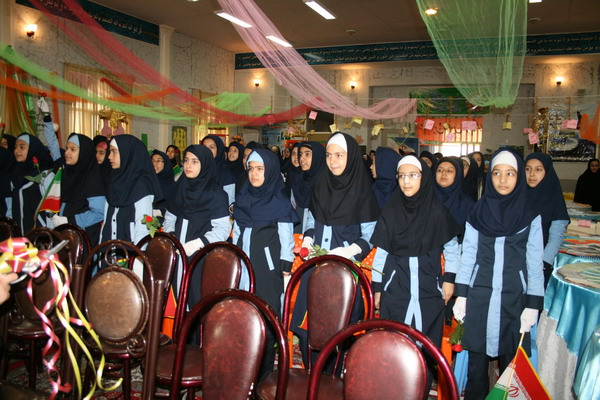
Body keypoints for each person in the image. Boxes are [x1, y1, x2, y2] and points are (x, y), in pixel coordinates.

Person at [453, 149, 544, 400]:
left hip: (515, 298)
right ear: (489, 176)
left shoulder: (530, 215)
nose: (503, 179)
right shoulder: (477, 212)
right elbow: (468, 255)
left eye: (510, 173)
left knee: (511, 366)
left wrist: (533, 305)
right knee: (476, 366)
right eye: (496, 173)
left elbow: (534, 263)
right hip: (480, 296)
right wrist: (462, 295)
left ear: (519, 177)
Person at [371, 155, 460, 390]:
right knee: (395, 342)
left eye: (413, 175)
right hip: (396, 288)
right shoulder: (391, 211)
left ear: (424, 177)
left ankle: (421, 387)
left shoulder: (437, 211)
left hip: (428, 289)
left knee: (426, 345)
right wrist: (378, 288)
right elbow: (381, 253)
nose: (407, 181)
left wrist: (449, 281)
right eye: (402, 176)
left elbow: (452, 249)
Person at [294, 132, 379, 364]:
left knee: (337, 328)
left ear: (351, 157)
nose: (332, 161)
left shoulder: (363, 191)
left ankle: (332, 375)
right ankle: (310, 373)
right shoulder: (320, 185)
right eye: (329, 155)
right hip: (315, 265)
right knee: (309, 325)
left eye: (339, 155)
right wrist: (308, 239)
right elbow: (311, 220)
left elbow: (370, 234)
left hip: (343, 270)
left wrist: (350, 251)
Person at [233, 148, 296, 378]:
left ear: (270, 171)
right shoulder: (243, 197)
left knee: (267, 313)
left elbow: (286, 237)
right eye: (251, 168)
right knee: (245, 311)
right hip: (244, 265)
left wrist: (285, 265)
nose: (254, 174)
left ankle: (265, 370)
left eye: (260, 169)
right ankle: (246, 365)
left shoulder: (279, 202)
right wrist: (235, 256)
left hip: (267, 268)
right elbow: (237, 231)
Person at [163, 145, 231, 301]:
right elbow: (170, 218)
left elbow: (223, 229)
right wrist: (172, 238)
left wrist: (197, 244)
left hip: (202, 255)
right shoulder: (179, 187)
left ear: (205, 164)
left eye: (194, 162)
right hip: (177, 252)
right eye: (186, 160)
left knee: (197, 298)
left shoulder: (216, 195)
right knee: (177, 297)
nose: (188, 165)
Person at [101, 135, 163, 244]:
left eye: (114, 152)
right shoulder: (113, 180)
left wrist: (138, 253)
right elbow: (106, 222)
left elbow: (143, 229)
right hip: (109, 249)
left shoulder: (142, 186)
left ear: (127, 153)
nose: (109, 156)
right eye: (110, 152)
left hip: (131, 250)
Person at [49, 133, 106, 246]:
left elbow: (99, 213)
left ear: (84, 152)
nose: (67, 152)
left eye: (73, 149)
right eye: (66, 148)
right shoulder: (68, 174)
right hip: (65, 234)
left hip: (83, 238)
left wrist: (70, 221)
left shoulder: (92, 179)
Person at [525, 153, 569, 285]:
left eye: (538, 169)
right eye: (528, 169)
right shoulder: (519, 196)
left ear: (547, 172)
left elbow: (556, 236)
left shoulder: (554, 199)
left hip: (540, 263)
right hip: (516, 261)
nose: (532, 174)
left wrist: (543, 265)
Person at [7, 132, 52, 234]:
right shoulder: (15, 175)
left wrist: (50, 233)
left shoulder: (45, 176)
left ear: (33, 149)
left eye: (22, 147)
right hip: (19, 235)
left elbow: (51, 210)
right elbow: (11, 207)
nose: (17, 151)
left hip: (40, 236)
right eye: (15, 147)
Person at [434, 156, 475, 242]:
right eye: (440, 170)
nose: (443, 173)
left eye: (449, 171)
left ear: (457, 175)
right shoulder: (427, 200)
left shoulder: (467, 204)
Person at [295, 141, 326, 232]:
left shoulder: (326, 184)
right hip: (299, 227)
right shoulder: (299, 180)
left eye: (307, 154)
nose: (301, 158)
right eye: (300, 154)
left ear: (318, 157)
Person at [202, 135, 236, 205]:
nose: (207, 150)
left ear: (219, 150)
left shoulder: (227, 174)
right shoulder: (196, 169)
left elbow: (229, 201)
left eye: (212, 147)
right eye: (204, 147)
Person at [150, 150, 175, 220]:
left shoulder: (172, 187)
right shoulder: (147, 183)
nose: (154, 164)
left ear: (166, 164)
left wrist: (158, 211)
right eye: (152, 161)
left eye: (158, 161)